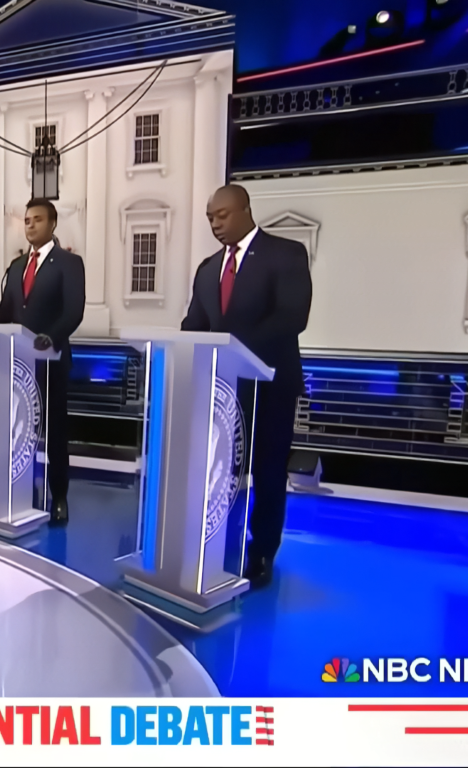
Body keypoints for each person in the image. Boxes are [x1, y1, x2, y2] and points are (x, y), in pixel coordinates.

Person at [181, 184, 313, 589]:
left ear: (244, 210)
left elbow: (293, 316)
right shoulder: (208, 269)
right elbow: (194, 325)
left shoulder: (286, 254)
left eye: (222, 215)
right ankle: (221, 542)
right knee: (223, 472)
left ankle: (262, 552)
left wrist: (232, 349)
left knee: (268, 472)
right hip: (222, 392)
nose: (215, 224)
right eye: (210, 218)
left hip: (270, 387)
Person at [0, 199, 85, 524]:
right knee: (20, 430)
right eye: (27, 220)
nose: (30, 225)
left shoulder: (69, 263)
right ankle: (20, 490)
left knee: (55, 433)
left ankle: (59, 497)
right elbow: (7, 310)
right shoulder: (17, 266)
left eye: (37, 219)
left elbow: (73, 311)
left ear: (53, 223)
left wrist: (51, 337)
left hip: (51, 362)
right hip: (19, 366)